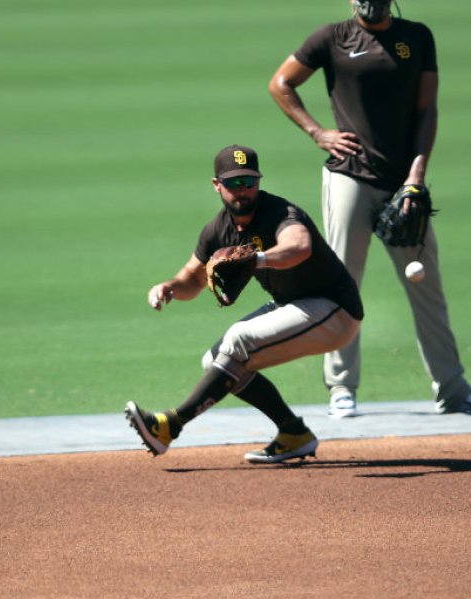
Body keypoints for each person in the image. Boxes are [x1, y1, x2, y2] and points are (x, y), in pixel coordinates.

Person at [268, 0, 471, 418]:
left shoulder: (416, 37)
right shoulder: (332, 37)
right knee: (341, 285)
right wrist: (318, 133)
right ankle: (341, 387)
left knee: (426, 286)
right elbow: (281, 83)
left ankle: (453, 390)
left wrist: (416, 175)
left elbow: (426, 109)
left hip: (403, 185)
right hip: (349, 178)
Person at [125, 145, 363, 464]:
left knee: (239, 339)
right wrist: (169, 287)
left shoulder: (280, 213)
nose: (242, 191)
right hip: (293, 306)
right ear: (217, 185)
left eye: (249, 182)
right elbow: (192, 280)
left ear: (258, 182)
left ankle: (170, 424)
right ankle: (294, 433)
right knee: (216, 361)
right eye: (233, 183)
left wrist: (258, 258)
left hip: (334, 309)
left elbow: (300, 246)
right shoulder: (217, 231)